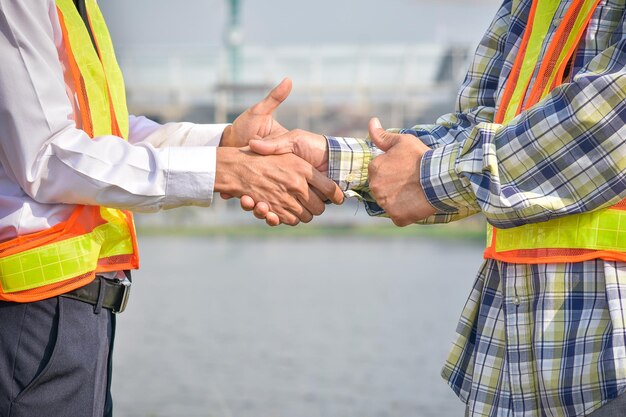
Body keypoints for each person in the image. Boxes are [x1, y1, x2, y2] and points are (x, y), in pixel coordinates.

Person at [243, 0, 626, 415]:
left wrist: (428, 176)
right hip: (514, 357)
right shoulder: (528, 5)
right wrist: (331, 159)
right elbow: (475, 127)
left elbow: (608, 122)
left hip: (607, 360)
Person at [0, 1, 343, 416]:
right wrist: (220, 170)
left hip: (76, 316)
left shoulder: (77, 7)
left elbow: (111, 134)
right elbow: (47, 156)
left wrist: (225, 142)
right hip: (31, 319)